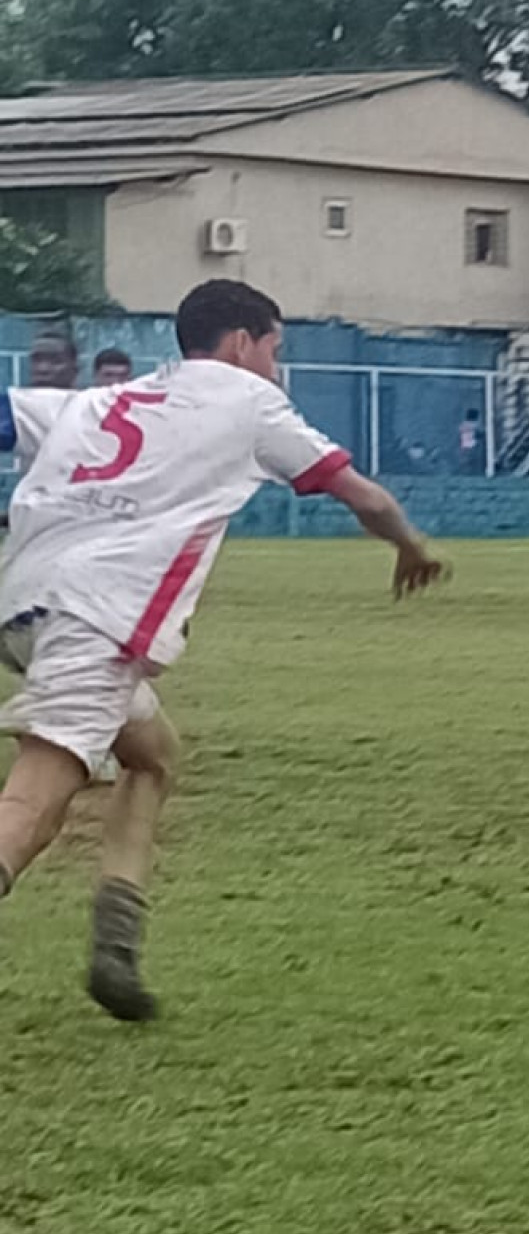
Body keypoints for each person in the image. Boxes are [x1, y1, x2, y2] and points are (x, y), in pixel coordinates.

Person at [0, 277, 445, 1021]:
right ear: (244, 342)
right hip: (99, 618)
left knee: (153, 757)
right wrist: (411, 547)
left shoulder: (106, 401)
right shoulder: (249, 402)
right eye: (276, 349)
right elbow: (363, 496)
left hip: (24, 610)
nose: (277, 367)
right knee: (33, 802)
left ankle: (117, 943)